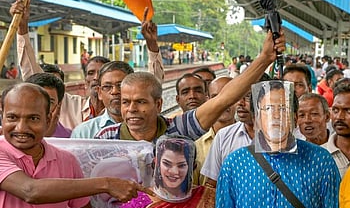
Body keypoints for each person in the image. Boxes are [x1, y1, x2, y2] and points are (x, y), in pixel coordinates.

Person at [0, 83, 149, 208]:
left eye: (33, 118)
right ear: (2, 116)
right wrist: (106, 183)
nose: (21, 128)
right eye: (12, 117)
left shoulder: (65, 161)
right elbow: (30, 191)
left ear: (49, 118)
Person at [211, 80, 341, 208]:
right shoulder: (235, 163)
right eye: (267, 109)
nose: (276, 116)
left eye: (284, 109)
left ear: (295, 117)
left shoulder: (320, 161)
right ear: (255, 117)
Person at [95, 29, 286, 144]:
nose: (131, 109)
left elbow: (223, 99)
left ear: (159, 104)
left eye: (140, 102)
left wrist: (264, 58)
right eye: (126, 102)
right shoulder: (106, 139)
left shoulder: (179, 129)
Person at [10, 0, 164, 130]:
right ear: (87, 83)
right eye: (91, 73)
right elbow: (35, 81)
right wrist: (22, 28)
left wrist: (151, 44)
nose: (96, 78)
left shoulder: (133, 117)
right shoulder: (68, 105)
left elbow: (152, 86)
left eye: (116, 83)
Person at [71, 62, 134, 138]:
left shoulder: (147, 129)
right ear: (100, 93)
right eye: (107, 86)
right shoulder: (83, 133)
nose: (114, 91)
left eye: (120, 85)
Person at [194, 77, 235, 185]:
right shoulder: (196, 144)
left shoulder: (250, 138)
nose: (222, 103)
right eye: (215, 97)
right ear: (208, 100)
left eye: (229, 96)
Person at [25, 72, 72, 138]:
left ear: (59, 105)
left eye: (50, 102)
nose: (41, 108)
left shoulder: (71, 138)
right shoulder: (12, 133)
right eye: (35, 100)